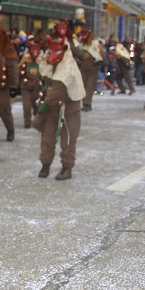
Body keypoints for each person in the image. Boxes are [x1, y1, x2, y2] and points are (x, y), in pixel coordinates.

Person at [33, 30, 84, 180]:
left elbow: (57, 90)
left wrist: (41, 110)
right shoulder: (48, 59)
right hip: (52, 110)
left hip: (68, 109)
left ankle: (67, 167)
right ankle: (45, 164)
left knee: (68, 140)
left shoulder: (69, 68)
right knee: (47, 138)